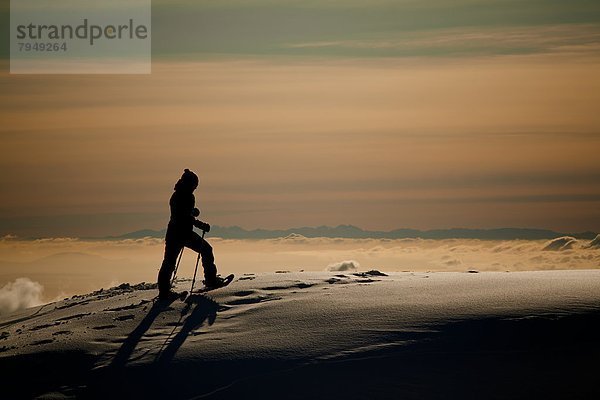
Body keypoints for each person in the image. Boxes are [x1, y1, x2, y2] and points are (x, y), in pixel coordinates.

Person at [157, 169, 224, 299]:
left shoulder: (180, 195)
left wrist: (193, 213)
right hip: (181, 234)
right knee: (205, 250)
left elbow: (185, 214)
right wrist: (199, 223)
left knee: (169, 262)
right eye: (194, 185)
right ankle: (210, 280)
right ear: (189, 184)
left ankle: (164, 292)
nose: (195, 188)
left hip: (176, 234)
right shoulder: (183, 196)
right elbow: (184, 216)